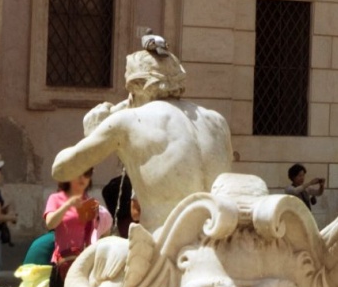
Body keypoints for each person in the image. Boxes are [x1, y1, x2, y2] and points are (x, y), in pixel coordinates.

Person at [51, 37, 233, 226]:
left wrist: (91, 133)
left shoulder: (127, 120)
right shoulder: (217, 121)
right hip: (217, 242)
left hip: (165, 246)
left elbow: (61, 170)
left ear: (137, 87)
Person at [43, 171, 111, 287]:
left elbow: (104, 235)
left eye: (86, 174)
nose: (82, 178)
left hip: (83, 264)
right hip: (61, 262)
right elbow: (50, 224)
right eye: (78, 173)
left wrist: (99, 216)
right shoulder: (56, 198)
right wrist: (68, 204)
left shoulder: (89, 201)